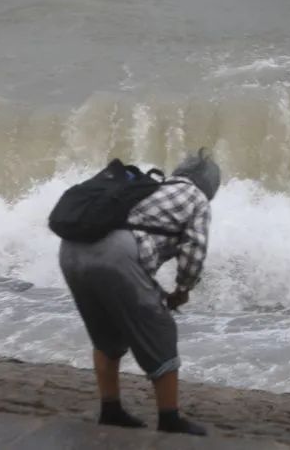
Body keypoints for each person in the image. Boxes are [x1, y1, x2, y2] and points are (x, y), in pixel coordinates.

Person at [58, 148, 220, 436]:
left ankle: (111, 410)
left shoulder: (150, 188)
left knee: (105, 334)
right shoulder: (196, 198)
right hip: (115, 254)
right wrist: (183, 290)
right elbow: (194, 251)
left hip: (71, 249)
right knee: (160, 328)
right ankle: (169, 418)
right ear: (210, 186)